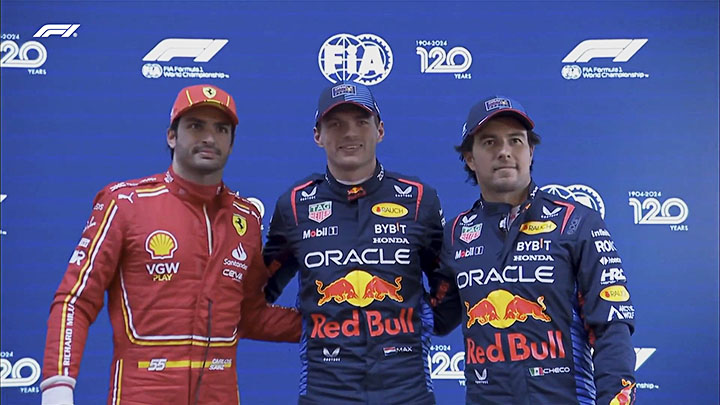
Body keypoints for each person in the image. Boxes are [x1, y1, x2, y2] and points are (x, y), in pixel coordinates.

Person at [40, 84, 301, 405]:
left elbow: (249, 315)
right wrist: (58, 385)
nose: (209, 137)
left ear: (232, 143)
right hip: (141, 394)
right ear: (171, 136)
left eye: (221, 129)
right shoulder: (125, 203)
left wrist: (332, 324)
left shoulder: (245, 218)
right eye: (196, 126)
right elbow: (75, 299)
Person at [433, 96, 636, 404]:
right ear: (470, 158)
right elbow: (434, 318)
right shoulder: (455, 234)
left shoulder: (576, 223)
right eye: (489, 142)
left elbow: (612, 327)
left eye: (515, 140)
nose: (504, 151)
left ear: (530, 151)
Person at [263, 82, 452, 405]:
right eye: (336, 124)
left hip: (407, 392)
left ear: (380, 130)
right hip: (325, 393)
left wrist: (421, 322)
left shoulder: (419, 199)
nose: (349, 133)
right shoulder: (294, 205)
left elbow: (449, 287)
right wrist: (306, 324)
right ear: (317, 135)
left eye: (361, 122)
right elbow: (258, 292)